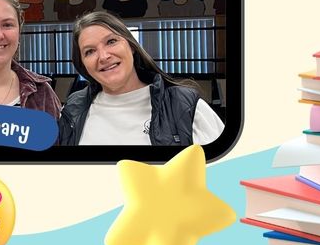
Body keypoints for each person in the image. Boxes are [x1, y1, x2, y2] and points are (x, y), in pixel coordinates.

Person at [59, 11, 224, 146]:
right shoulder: (73, 109)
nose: (103, 56)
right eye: (89, 51)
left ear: (131, 46)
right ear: (83, 64)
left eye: (111, 41)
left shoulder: (184, 106)